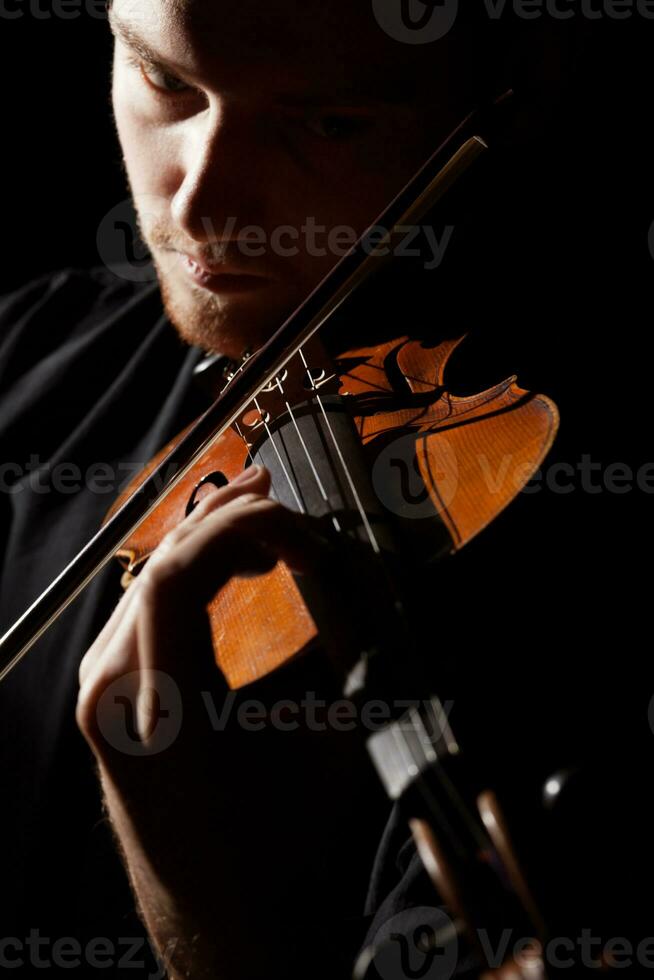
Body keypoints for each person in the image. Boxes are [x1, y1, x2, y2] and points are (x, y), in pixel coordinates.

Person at [0, 2, 651, 978]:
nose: (202, 205)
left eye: (329, 122)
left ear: (528, 72)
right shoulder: (36, 358)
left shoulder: (589, 560)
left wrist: (220, 929)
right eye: (165, 80)